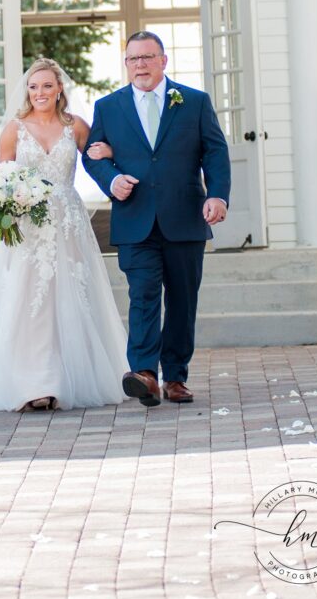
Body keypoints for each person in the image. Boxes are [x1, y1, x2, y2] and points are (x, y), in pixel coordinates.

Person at [0, 58, 129, 412]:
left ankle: (66, 377)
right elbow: (2, 177)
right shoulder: (15, 128)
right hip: (27, 225)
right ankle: (32, 383)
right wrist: (4, 212)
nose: (39, 92)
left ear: (59, 89)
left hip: (68, 223)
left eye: (46, 86)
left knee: (70, 299)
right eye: (33, 86)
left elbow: (97, 160)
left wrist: (111, 150)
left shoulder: (77, 126)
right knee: (29, 303)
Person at [83, 31, 231, 407]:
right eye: (133, 59)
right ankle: (145, 374)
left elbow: (214, 150)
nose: (141, 65)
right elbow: (92, 156)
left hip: (185, 217)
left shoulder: (194, 102)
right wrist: (112, 179)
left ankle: (176, 377)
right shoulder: (109, 107)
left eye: (148, 57)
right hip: (135, 220)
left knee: (182, 301)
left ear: (163, 61)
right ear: (126, 63)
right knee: (144, 295)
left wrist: (217, 194)